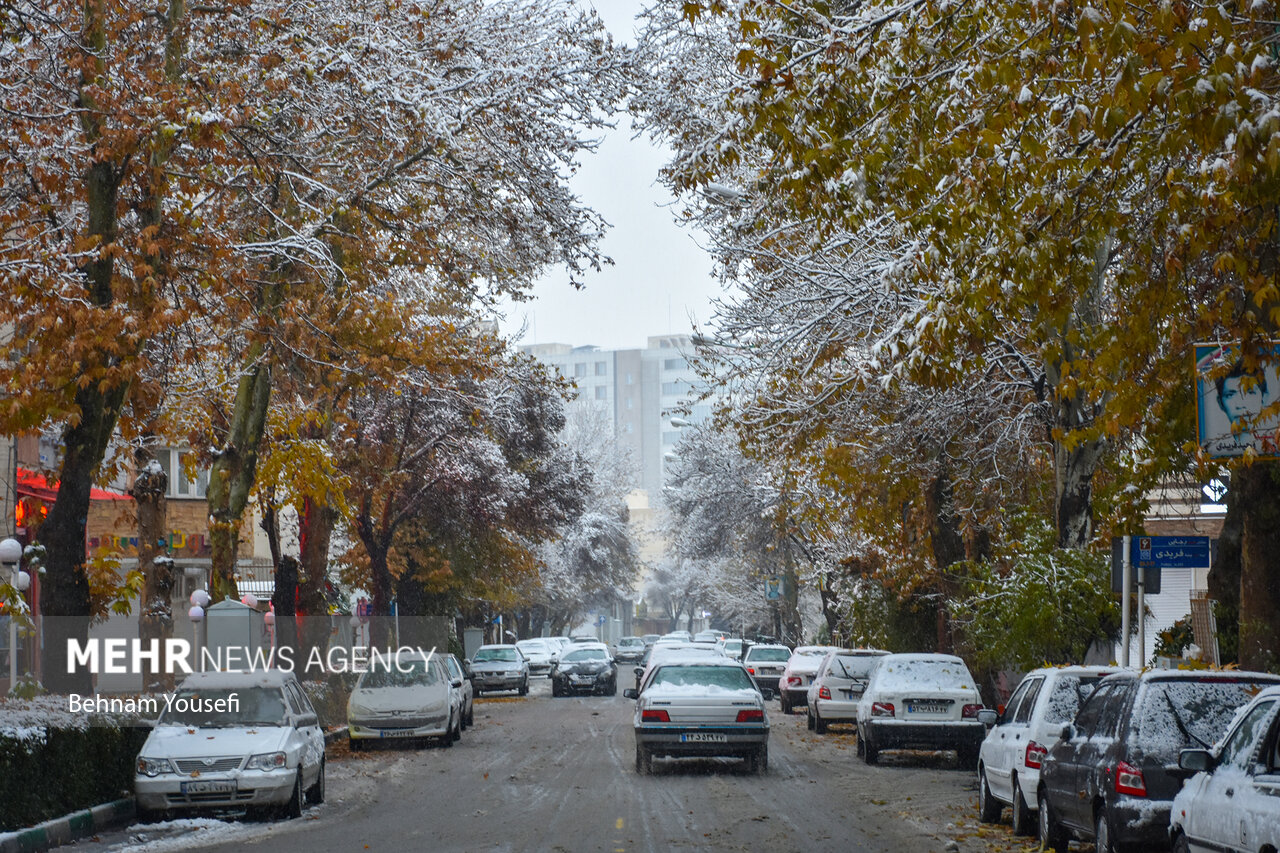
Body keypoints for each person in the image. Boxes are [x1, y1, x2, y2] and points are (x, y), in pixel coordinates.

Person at [1214, 363, 1275, 452]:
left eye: (1250, 392)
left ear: (1264, 398)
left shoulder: (1275, 441)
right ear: (1220, 403)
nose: (1240, 404)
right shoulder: (1215, 447)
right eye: (1230, 395)